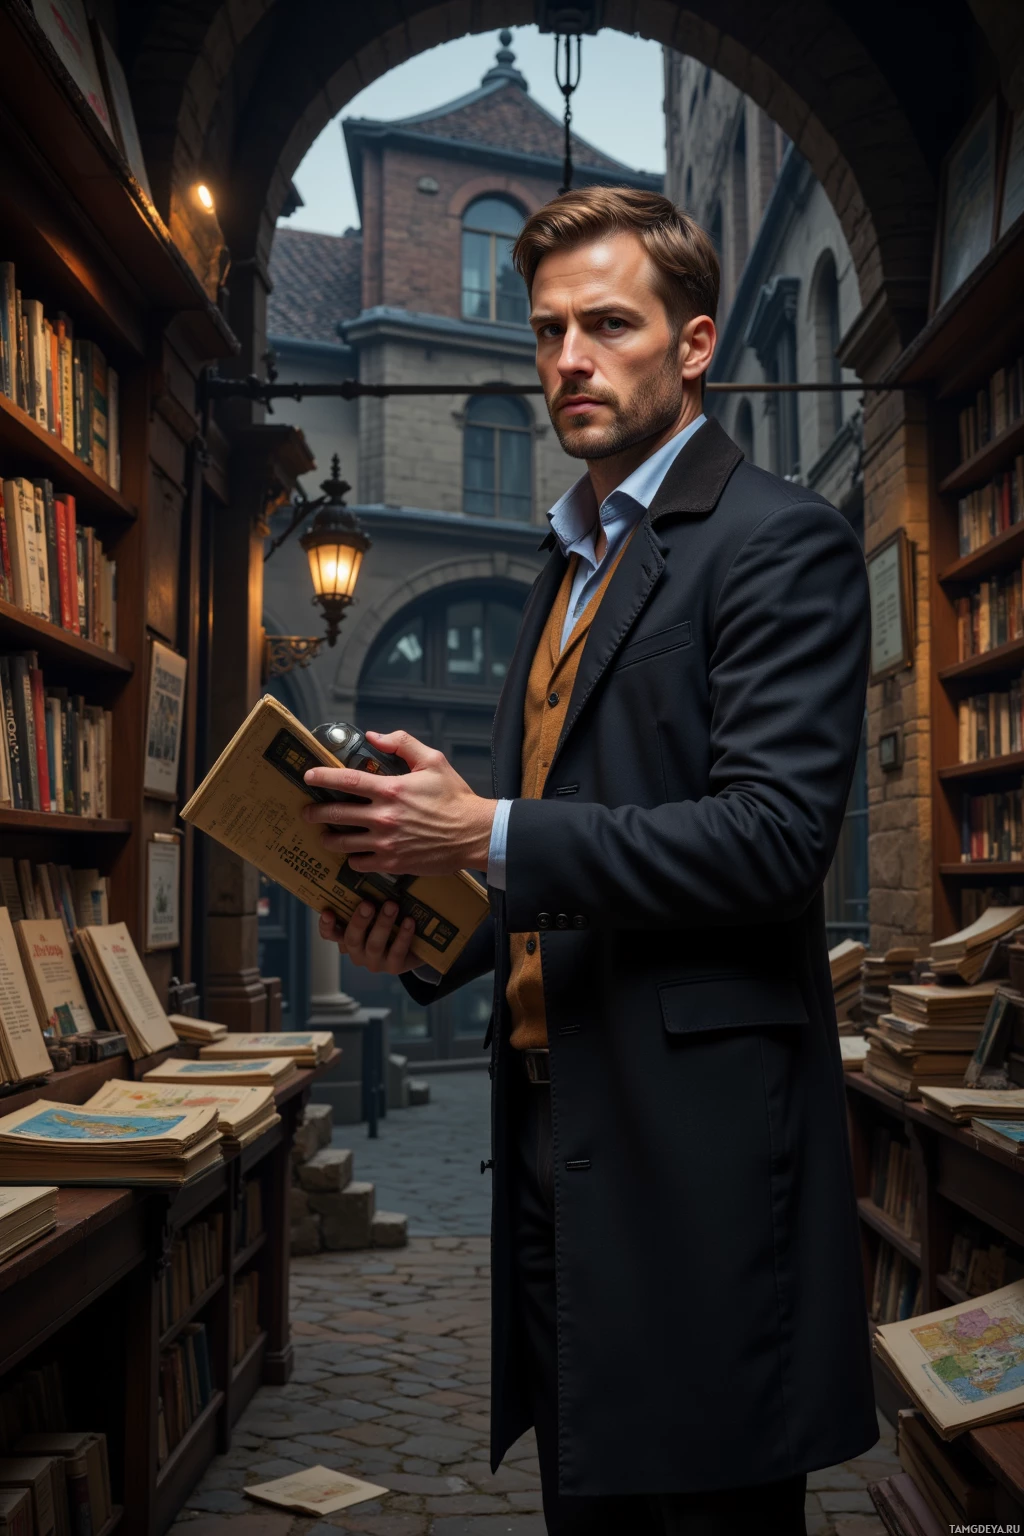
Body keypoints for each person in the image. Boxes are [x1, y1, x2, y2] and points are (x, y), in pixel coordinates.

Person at [303, 186, 878, 1536]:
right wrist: (423, 929)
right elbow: (557, 863)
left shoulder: (779, 541)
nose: (567, 358)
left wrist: (484, 833)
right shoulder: (562, 568)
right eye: (549, 329)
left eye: (608, 324)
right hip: (556, 1139)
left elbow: (777, 840)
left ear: (693, 344)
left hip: (699, 1160)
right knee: (593, 1506)